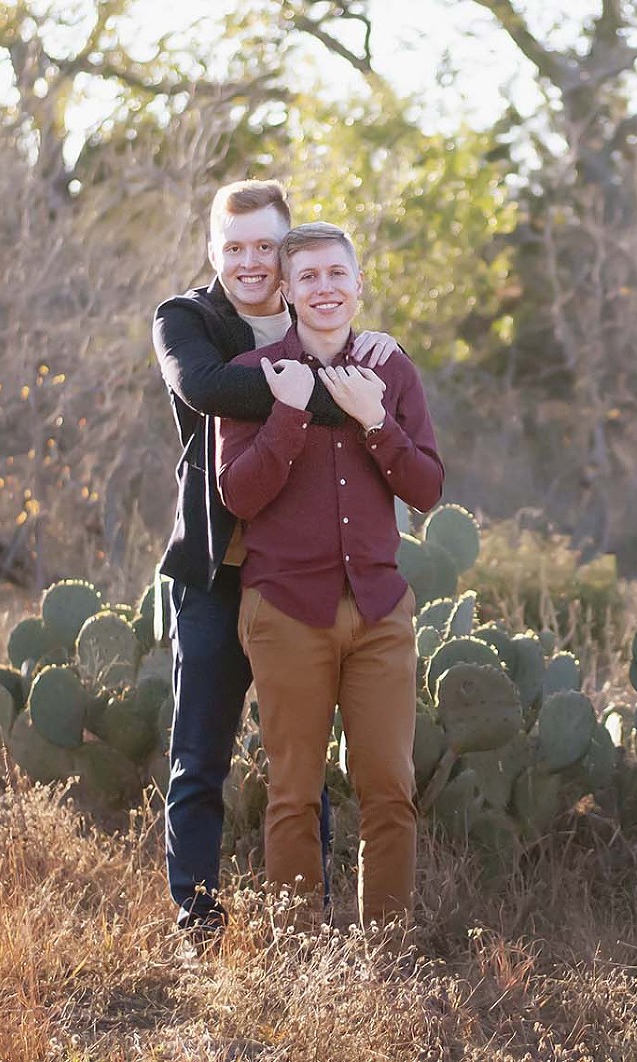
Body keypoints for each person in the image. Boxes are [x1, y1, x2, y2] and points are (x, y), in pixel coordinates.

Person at [152, 180, 401, 940]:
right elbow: (204, 386)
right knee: (200, 757)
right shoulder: (186, 319)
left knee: (301, 761)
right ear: (212, 251)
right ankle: (197, 921)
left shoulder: (318, 313)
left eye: (266, 246)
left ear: (287, 252)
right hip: (216, 573)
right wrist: (346, 388)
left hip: (303, 577)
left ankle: (308, 921)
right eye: (235, 247)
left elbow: (382, 409)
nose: (250, 261)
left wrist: (378, 366)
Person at [216, 221, 443, 925]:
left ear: (358, 284)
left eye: (336, 274)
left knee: (390, 790)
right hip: (286, 611)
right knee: (293, 790)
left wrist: (377, 420)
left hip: (379, 610)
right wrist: (287, 413)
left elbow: (427, 489)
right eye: (307, 276)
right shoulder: (253, 378)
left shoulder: (391, 370)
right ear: (285, 291)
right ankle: (298, 960)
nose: (324, 288)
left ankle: (388, 954)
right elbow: (238, 494)